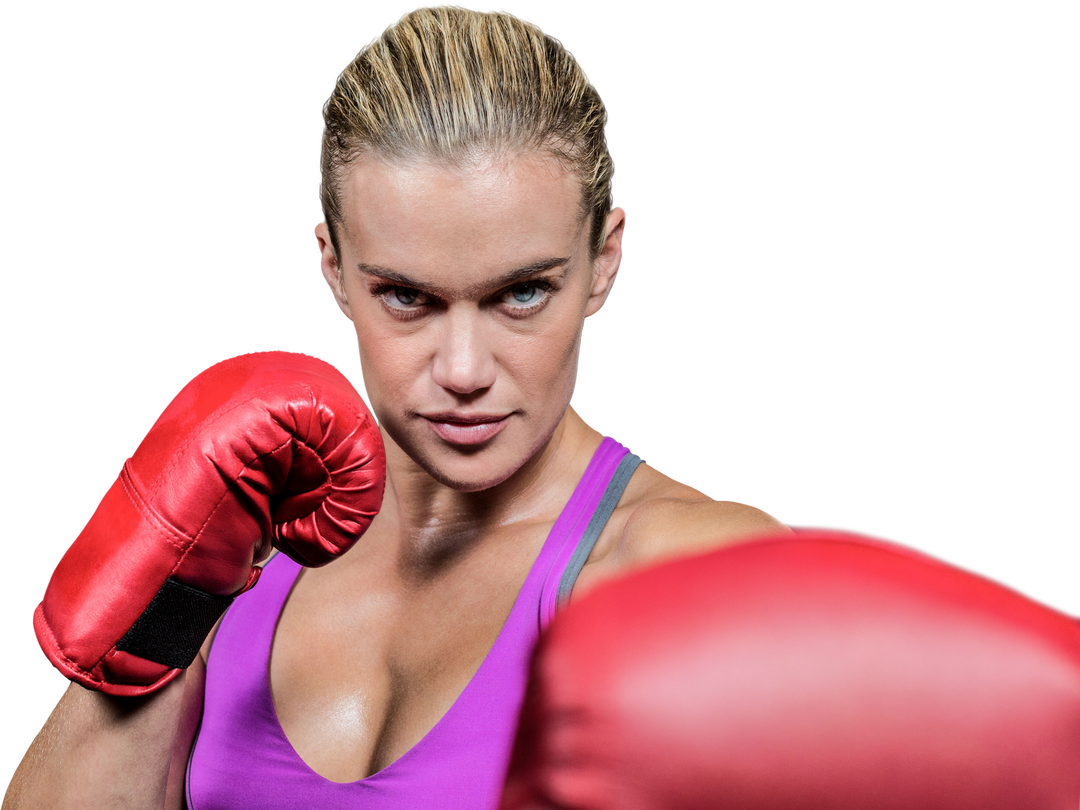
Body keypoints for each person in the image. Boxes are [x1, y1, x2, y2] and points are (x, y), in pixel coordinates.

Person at [3, 4, 793, 808]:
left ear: (605, 260)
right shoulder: (257, 542)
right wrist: (175, 591)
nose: (462, 370)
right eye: (406, 297)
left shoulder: (685, 566)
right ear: (333, 270)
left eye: (522, 293)